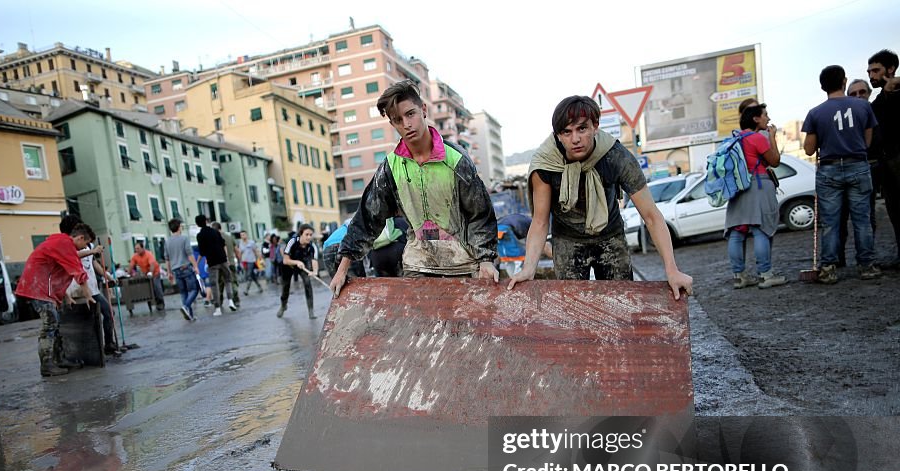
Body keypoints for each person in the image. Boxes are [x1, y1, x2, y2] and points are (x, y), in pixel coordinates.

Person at [507, 96, 692, 298]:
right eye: (566, 132)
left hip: (610, 234)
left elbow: (651, 216)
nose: (575, 139)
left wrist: (672, 270)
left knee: (621, 303)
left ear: (595, 126)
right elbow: (540, 221)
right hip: (567, 239)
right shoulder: (544, 164)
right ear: (558, 135)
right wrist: (528, 269)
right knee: (573, 309)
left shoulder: (616, 157)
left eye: (582, 129)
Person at [330, 80, 498, 296]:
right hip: (417, 266)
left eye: (411, 114)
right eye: (398, 120)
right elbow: (367, 218)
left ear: (423, 110)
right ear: (392, 124)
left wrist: (486, 260)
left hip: (462, 265)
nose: (407, 124)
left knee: (461, 328)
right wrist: (342, 269)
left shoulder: (456, 160)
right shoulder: (391, 167)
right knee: (419, 328)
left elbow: (480, 214)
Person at [802, 65, 881, 283]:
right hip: (858, 165)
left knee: (831, 222)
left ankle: (829, 267)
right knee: (862, 220)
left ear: (822, 86)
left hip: (829, 168)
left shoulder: (815, 113)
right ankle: (867, 266)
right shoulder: (863, 107)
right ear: (844, 82)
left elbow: (809, 149)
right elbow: (867, 141)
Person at [723, 104, 789, 289]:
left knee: (736, 231)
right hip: (758, 184)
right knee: (761, 229)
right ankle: (766, 275)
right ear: (756, 119)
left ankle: (739, 276)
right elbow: (774, 161)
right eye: (765, 115)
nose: (768, 118)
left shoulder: (734, 138)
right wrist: (772, 137)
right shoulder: (756, 138)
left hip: (737, 187)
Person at [15, 224, 95, 377]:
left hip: (41, 286)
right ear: (80, 238)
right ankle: (47, 365)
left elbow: (56, 272)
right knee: (50, 324)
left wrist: (65, 296)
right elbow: (78, 271)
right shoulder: (65, 244)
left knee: (54, 323)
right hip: (38, 286)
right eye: (86, 244)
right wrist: (89, 296)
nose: (85, 248)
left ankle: (59, 359)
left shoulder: (60, 243)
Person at [837, 79, 881, 266]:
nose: (858, 96)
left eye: (862, 92)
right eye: (853, 94)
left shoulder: (875, 112)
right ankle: (838, 258)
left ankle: (865, 259)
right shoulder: (843, 118)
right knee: (840, 217)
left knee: (866, 217)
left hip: (871, 168)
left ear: (869, 93)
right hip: (846, 169)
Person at [66, 224, 122, 354]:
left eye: (89, 243)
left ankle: (109, 343)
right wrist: (92, 251)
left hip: (92, 289)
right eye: (86, 243)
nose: (86, 246)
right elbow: (74, 256)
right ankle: (87, 349)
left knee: (109, 313)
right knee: (84, 321)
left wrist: (108, 276)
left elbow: (94, 264)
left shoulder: (89, 247)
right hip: (75, 291)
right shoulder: (69, 247)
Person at [868, 49, 900, 267]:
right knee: (895, 211)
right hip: (886, 165)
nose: (872, 76)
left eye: (876, 70)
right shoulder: (879, 100)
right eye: (869, 71)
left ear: (891, 69)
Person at [278, 224, 319, 319]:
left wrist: (315, 271)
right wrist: (296, 262)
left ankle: (311, 311)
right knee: (285, 288)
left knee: (308, 283)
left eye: (310, 234)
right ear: (301, 234)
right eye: (306, 234)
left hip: (302, 265)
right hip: (289, 265)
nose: (309, 237)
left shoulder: (312, 246)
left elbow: (314, 260)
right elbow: (285, 260)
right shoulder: (292, 241)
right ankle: (283, 305)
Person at [165, 218, 201, 320]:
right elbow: (189, 254)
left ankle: (189, 315)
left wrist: (169, 272)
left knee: (183, 292)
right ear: (179, 227)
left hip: (175, 270)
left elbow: (167, 259)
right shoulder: (184, 238)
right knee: (194, 289)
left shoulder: (167, 241)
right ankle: (186, 306)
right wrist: (195, 266)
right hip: (186, 267)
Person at [198, 218, 233, 316]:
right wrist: (226, 258)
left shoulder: (200, 235)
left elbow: (202, 252)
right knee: (228, 280)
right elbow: (223, 244)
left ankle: (217, 308)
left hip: (212, 262)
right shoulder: (215, 232)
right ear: (206, 222)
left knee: (214, 285)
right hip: (222, 260)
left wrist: (197, 262)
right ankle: (231, 301)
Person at [129, 241, 165, 309]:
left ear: (143, 248)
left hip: (155, 272)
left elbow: (152, 264)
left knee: (156, 286)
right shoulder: (135, 256)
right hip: (145, 274)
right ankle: (152, 302)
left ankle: (161, 302)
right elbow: (131, 265)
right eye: (135, 249)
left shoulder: (148, 254)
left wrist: (150, 272)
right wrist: (129, 273)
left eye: (138, 248)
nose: (136, 250)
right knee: (147, 288)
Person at [216, 223, 240, 310]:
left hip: (220, 265)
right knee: (232, 282)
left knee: (220, 284)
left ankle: (220, 301)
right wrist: (238, 260)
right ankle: (236, 300)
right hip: (231, 263)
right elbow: (237, 250)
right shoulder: (229, 237)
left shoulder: (215, 238)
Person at [238, 230, 263, 294]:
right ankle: (260, 287)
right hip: (244, 261)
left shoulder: (251, 242)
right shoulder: (240, 243)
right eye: (241, 235)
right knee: (252, 275)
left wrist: (259, 258)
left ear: (246, 235)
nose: (242, 236)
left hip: (251, 260)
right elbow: (240, 253)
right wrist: (239, 261)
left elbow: (255, 250)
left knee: (248, 275)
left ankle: (246, 290)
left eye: (243, 235)